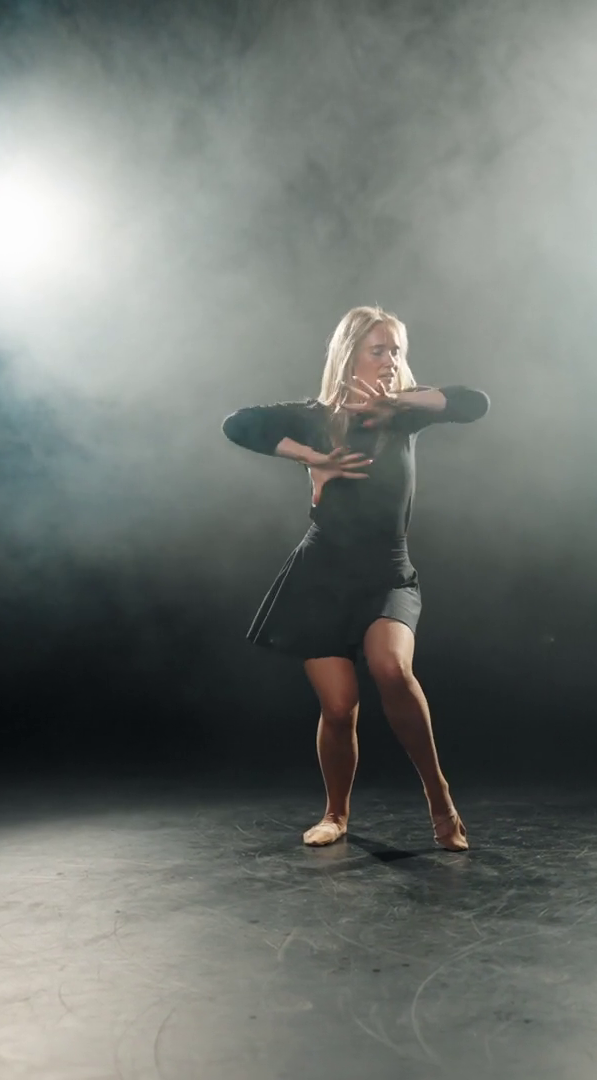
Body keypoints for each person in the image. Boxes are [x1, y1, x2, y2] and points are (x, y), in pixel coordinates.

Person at [221, 306, 489, 851]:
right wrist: (309, 458)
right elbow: (237, 424)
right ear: (349, 356)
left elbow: (473, 402)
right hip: (320, 576)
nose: (390, 361)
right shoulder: (315, 416)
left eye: (397, 351)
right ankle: (335, 814)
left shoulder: (404, 416)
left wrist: (403, 400)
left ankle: (440, 798)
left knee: (391, 668)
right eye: (378, 350)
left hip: (388, 573)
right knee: (339, 707)